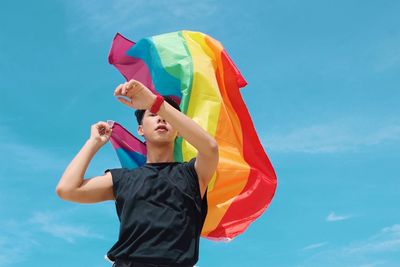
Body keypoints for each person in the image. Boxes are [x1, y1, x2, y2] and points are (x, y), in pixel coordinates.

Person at [55, 80, 219, 267]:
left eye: (166, 116)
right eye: (152, 115)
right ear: (140, 129)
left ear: (179, 131)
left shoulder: (192, 174)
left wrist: (155, 104)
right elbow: (67, 189)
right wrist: (93, 143)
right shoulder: (123, 179)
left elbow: (210, 148)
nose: (161, 118)